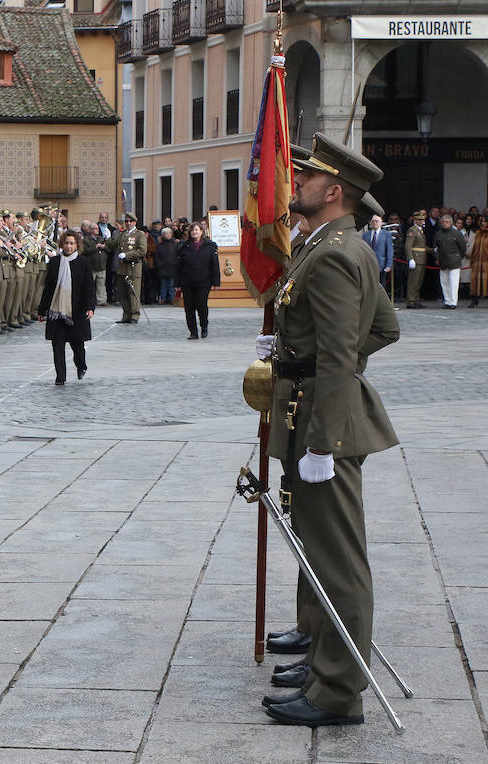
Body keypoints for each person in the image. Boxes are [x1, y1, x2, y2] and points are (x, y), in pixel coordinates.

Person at [255, 132, 398, 728]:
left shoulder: (337, 252)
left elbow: (344, 355)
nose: (297, 185)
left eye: (308, 177)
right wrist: (294, 353)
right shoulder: (331, 244)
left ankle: (338, 692)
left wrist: (324, 438)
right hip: (310, 410)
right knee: (325, 552)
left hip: (321, 426)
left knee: (337, 560)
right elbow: (383, 326)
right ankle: (327, 669)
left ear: (333, 191)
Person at [36, 231, 94, 385]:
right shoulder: (54, 262)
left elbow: (89, 287)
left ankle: (81, 365)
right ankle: (60, 376)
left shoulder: (83, 262)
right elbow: (48, 288)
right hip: (57, 311)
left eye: (72, 243)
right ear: (62, 244)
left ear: (77, 245)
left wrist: (90, 307)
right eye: (66, 243)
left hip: (77, 310)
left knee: (77, 345)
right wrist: (42, 310)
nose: (69, 246)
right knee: (58, 345)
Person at [175, 223, 220, 339]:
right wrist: (177, 283)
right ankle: (193, 332)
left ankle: (204, 327)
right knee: (189, 307)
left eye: (196, 230)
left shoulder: (210, 246)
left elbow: (214, 265)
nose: (194, 232)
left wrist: (216, 282)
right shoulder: (184, 247)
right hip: (187, 281)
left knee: (201, 304)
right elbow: (179, 266)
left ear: (201, 232)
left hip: (204, 281)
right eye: (192, 231)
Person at [115, 213, 147, 323]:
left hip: (133, 268)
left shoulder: (139, 235)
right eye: (127, 221)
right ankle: (126, 314)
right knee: (123, 293)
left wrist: (127, 255)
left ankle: (134, 315)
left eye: (131, 221)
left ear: (135, 222)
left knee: (133, 293)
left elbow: (142, 251)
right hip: (122, 268)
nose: (128, 223)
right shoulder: (123, 234)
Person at [433, 213, 466, 309]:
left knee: (454, 282)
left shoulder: (457, 233)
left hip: (454, 261)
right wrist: (437, 258)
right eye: (443, 222)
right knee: (444, 282)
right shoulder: (438, 234)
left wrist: (459, 257)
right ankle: (447, 301)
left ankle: (453, 302)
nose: (445, 224)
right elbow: (435, 248)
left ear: (451, 223)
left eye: (447, 222)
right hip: (443, 261)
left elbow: (462, 248)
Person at [402, 209, 429, 307]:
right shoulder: (412, 230)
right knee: (413, 281)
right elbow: (408, 246)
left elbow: (422, 247)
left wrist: (432, 250)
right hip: (416, 258)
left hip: (422, 259)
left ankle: (416, 299)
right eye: (420, 220)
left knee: (419, 281)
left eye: (423, 220)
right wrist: (410, 258)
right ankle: (411, 300)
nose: (422, 221)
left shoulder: (420, 231)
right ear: (415, 220)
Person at [361, 215, 394, 292]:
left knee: (381, 287)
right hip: (368, 265)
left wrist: (389, 265)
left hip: (381, 265)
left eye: (377, 221)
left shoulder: (386, 234)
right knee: (369, 286)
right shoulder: (365, 235)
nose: (375, 223)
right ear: (370, 223)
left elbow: (389, 250)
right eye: (373, 221)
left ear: (381, 222)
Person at [153, 227, 180, 304]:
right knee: (163, 284)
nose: (167, 235)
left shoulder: (175, 244)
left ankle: (171, 298)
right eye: (165, 234)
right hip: (162, 267)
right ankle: (163, 298)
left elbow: (178, 255)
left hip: (172, 267)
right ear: (162, 235)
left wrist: (175, 263)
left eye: (169, 233)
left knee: (171, 284)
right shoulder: (160, 245)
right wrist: (159, 264)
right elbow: (156, 256)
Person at [469, 216, 488, 308]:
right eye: (482, 221)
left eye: (485, 221)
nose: (483, 223)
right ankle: (474, 299)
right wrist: (472, 259)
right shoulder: (478, 233)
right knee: (475, 281)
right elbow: (474, 247)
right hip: (477, 262)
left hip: (486, 263)